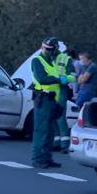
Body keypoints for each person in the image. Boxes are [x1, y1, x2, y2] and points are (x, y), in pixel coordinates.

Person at [30, 36, 65, 169]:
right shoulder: (37, 61)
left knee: (50, 131)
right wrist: (58, 79)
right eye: (46, 48)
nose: (47, 51)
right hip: (42, 99)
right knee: (41, 130)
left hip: (52, 100)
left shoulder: (52, 61)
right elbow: (42, 79)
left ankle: (47, 158)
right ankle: (37, 159)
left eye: (50, 49)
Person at [52, 42, 76, 153]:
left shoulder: (65, 60)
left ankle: (65, 144)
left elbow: (72, 77)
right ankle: (56, 142)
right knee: (53, 117)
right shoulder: (52, 58)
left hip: (60, 89)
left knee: (60, 117)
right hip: (52, 90)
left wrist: (60, 79)